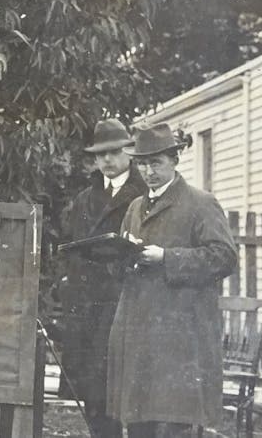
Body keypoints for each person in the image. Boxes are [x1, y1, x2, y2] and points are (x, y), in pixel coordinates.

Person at [107, 123, 237, 437]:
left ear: (174, 160)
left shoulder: (200, 203)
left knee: (175, 422)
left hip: (181, 335)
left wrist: (167, 258)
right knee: (137, 420)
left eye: (156, 163)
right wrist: (117, 256)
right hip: (139, 330)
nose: (148, 171)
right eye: (142, 163)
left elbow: (224, 257)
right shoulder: (136, 207)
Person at [58, 119, 145, 438]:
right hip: (85, 303)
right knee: (91, 389)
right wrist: (66, 283)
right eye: (100, 154)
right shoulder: (85, 198)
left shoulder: (144, 195)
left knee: (127, 385)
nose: (107, 160)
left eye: (114, 152)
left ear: (129, 153)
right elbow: (68, 244)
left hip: (123, 300)